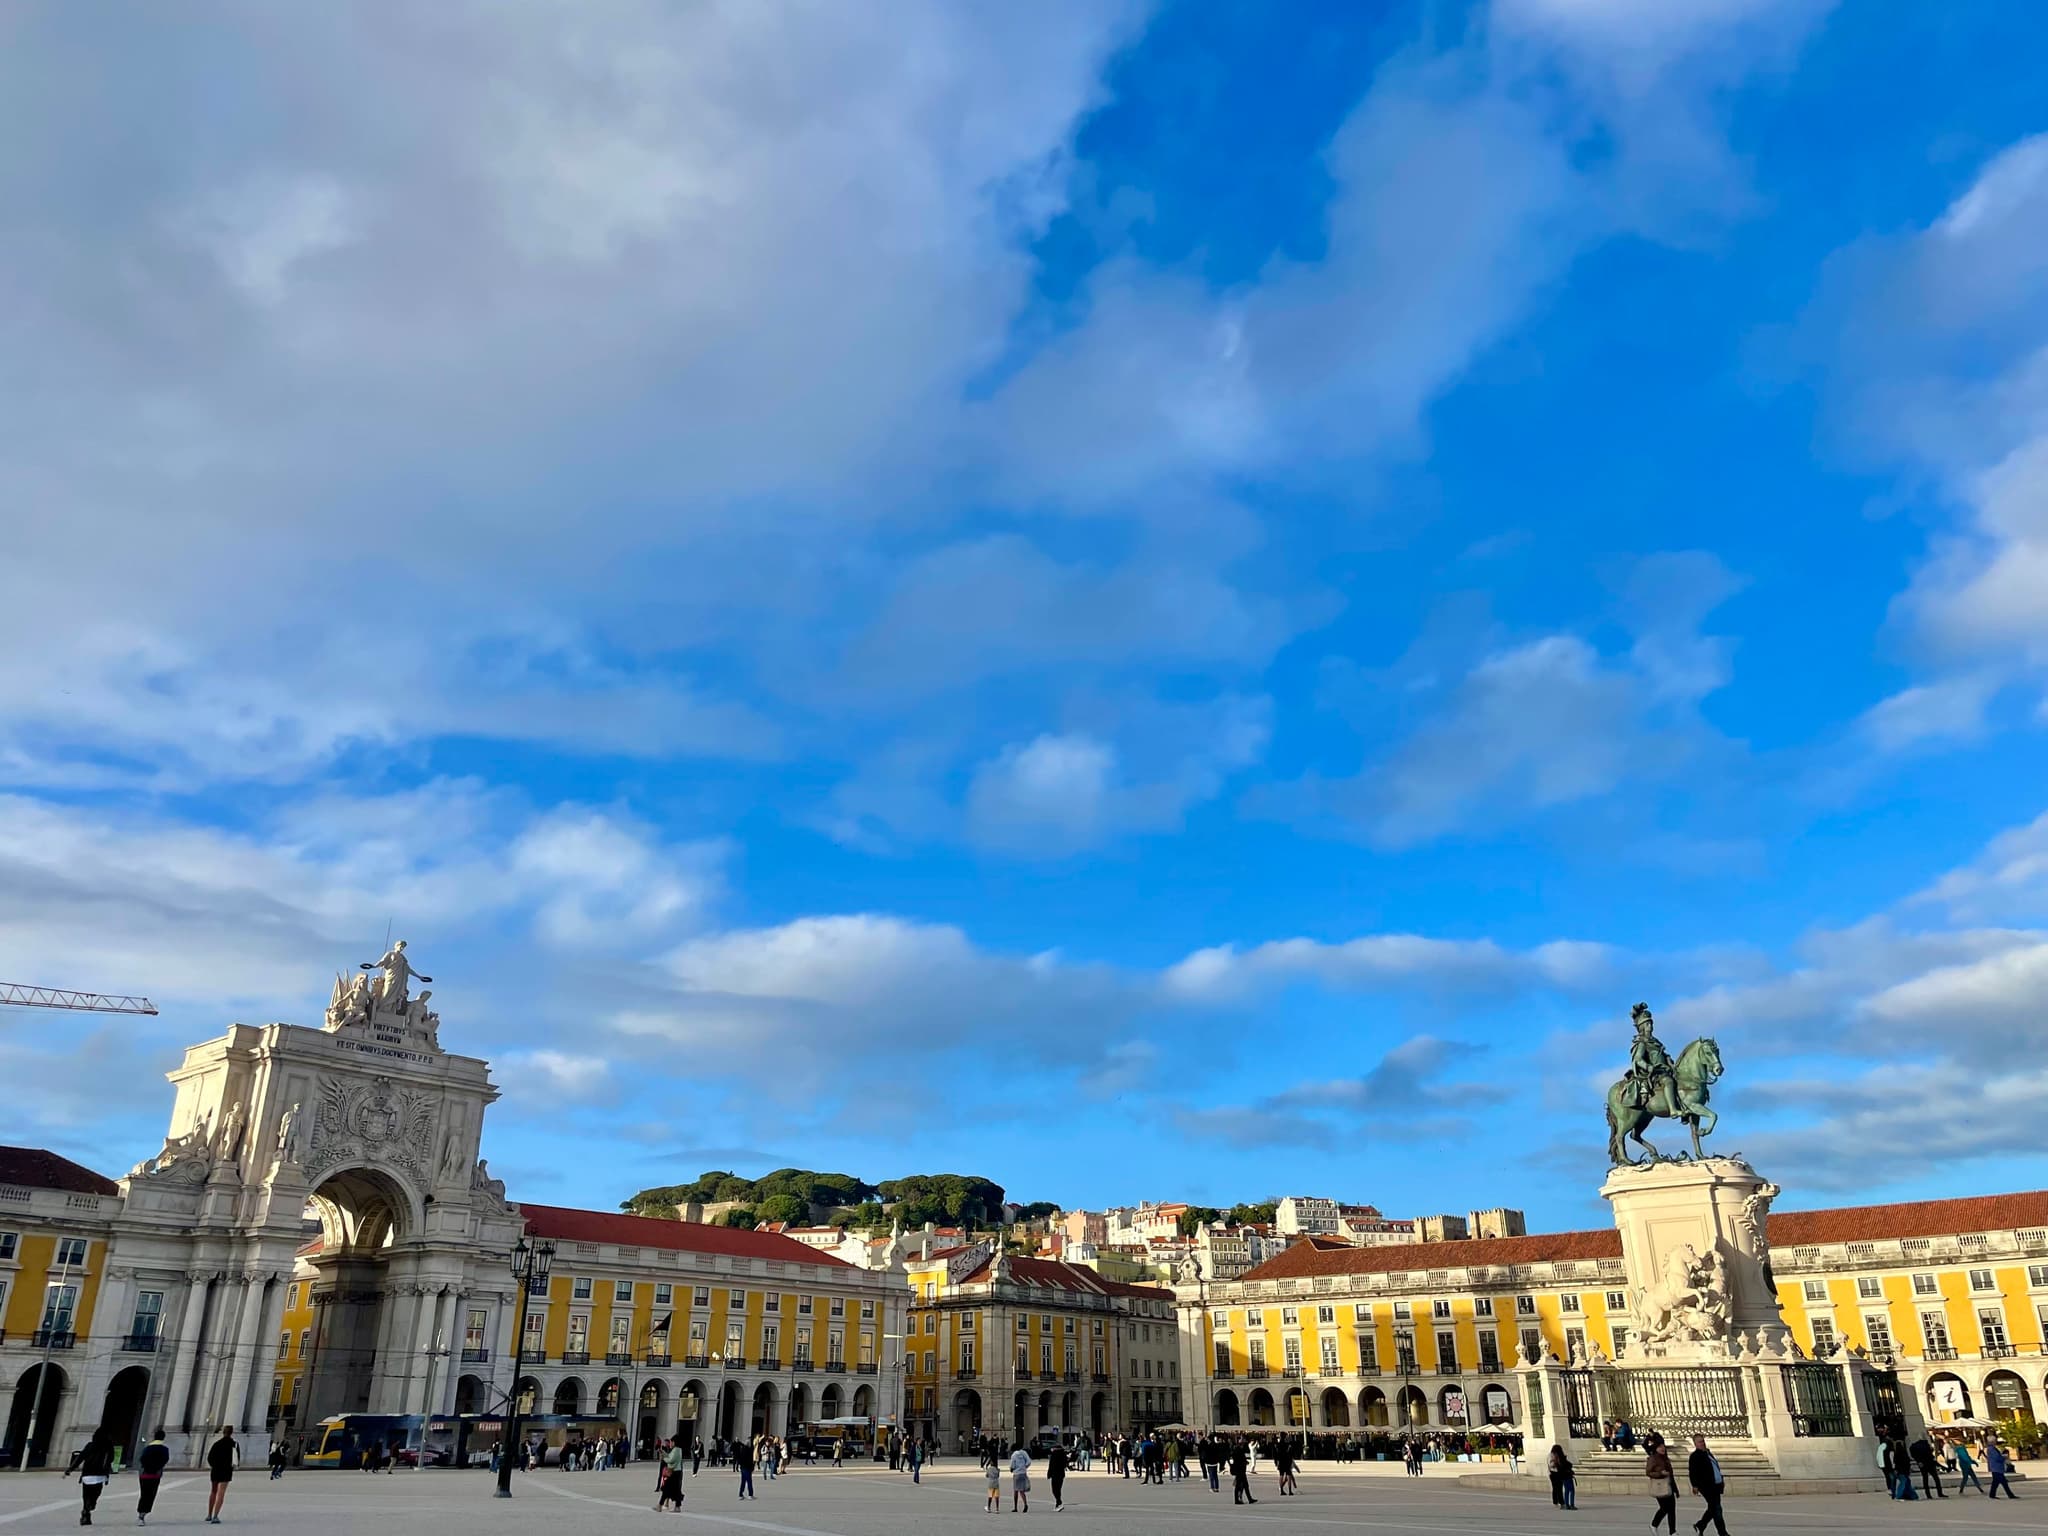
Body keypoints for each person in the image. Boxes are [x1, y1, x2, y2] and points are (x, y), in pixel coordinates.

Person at [66, 1427, 116, 1526]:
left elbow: (80, 1457)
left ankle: (86, 1510)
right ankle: (90, 1506)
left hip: (87, 1474)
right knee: (96, 1493)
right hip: (100, 1474)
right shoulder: (108, 1446)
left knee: (86, 1494)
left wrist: (70, 1469)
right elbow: (111, 1459)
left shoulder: (90, 1445)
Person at [1687, 1436, 1727, 1536]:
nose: (1702, 1443)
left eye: (1703, 1441)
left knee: (1714, 1508)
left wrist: (1720, 1480)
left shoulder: (1708, 1453)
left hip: (1716, 1485)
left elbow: (1715, 1467)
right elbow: (1693, 1472)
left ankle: (1701, 1525)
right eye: (1700, 1442)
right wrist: (1694, 1485)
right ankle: (1722, 1533)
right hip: (1706, 1486)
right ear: (1695, 1444)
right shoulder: (1695, 1456)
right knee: (1716, 1508)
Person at [136, 1429, 171, 1527]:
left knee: (144, 1494)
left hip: (144, 1475)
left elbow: (142, 1459)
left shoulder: (147, 1448)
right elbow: (165, 1460)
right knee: (151, 1495)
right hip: (155, 1475)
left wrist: (146, 1468)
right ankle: (143, 1514)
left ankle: (140, 1514)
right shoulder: (164, 1449)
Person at [205, 1427, 237, 1525]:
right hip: (226, 1471)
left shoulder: (217, 1444)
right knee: (221, 1493)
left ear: (223, 1432)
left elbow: (209, 1458)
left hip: (216, 1470)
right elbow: (236, 1460)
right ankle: (215, 1516)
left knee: (213, 1491)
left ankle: (209, 1514)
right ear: (231, 1433)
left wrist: (214, 1466)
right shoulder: (234, 1444)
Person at [1644, 1441, 1678, 1535]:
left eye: (1663, 1446)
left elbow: (1671, 1474)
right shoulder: (1653, 1458)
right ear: (1656, 1448)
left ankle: (1672, 1531)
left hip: (1669, 1485)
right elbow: (1648, 1472)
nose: (1662, 1448)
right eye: (1660, 1447)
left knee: (1672, 1510)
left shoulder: (1666, 1458)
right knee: (1664, 1508)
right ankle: (1654, 1524)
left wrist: (1675, 1488)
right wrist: (1660, 1473)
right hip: (1659, 1486)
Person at [658, 1438, 686, 1511]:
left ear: (674, 1442)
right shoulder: (676, 1450)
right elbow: (669, 1456)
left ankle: (660, 1505)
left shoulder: (676, 1450)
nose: (670, 1444)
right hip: (676, 1472)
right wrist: (664, 1453)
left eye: (671, 1442)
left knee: (666, 1489)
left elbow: (671, 1460)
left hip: (674, 1472)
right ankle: (677, 1507)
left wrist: (664, 1458)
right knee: (676, 1490)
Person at [1548, 1445, 1575, 1510]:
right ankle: (1561, 1503)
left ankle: (1563, 1503)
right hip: (1556, 1473)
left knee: (1560, 1489)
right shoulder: (1554, 1456)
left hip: (1559, 1474)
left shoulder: (1558, 1456)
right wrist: (1556, 1462)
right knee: (1558, 1488)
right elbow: (1551, 1465)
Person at [1009, 1444, 1032, 1514]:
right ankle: (1025, 1504)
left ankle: (1015, 1507)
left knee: (1016, 1490)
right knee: (1022, 1490)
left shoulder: (1014, 1455)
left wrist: (1011, 1469)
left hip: (1016, 1473)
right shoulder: (1024, 1453)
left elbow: (1012, 1465)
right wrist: (1024, 1467)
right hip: (1023, 1473)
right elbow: (1029, 1461)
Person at [1047, 1441, 1067, 1511]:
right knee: (1058, 1489)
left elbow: (1051, 1465)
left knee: (1054, 1489)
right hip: (1061, 1474)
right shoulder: (1063, 1455)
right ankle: (1057, 1504)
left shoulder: (1054, 1455)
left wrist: (1049, 1474)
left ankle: (1059, 1502)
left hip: (1055, 1474)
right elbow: (1065, 1464)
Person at [735, 1435, 756, 1500]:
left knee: (743, 1481)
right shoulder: (749, 1450)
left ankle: (740, 1494)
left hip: (743, 1467)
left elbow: (740, 1459)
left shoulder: (742, 1449)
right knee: (749, 1481)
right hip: (747, 1468)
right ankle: (750, 1495)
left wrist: (740, 1465)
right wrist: (752, 1467)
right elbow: (750, 1460)